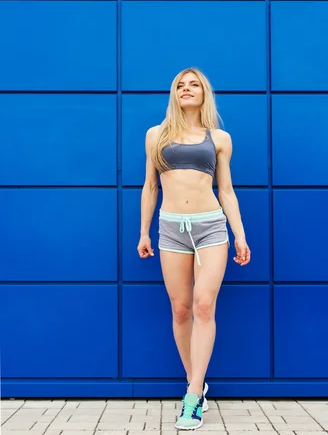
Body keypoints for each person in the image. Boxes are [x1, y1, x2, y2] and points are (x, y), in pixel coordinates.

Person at [137, 67, 251, 430]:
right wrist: (143, 232)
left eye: (194, 85)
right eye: (181, 86)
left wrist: (240, 234)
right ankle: (197, 385)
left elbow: (226, 191)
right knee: (182, 309)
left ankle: (190, 400)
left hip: (211, 228)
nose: (187, 90)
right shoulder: (156, 135)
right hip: (170, 230)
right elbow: (150, 187)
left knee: (204, 305)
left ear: (204, 94)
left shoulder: (219, 138)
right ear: (174, 94)